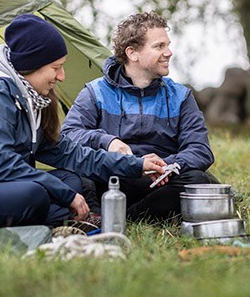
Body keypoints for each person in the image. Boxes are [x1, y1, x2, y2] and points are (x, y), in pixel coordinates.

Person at [0, 14, 168, 237]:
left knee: (71, 179)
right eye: (56, 67)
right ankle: (52, 218)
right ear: (30, 65)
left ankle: (54, 220)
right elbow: (0, 165)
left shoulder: (29, 99)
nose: (62, 76)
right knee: (33, 195)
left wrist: (136, 165)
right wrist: (64, 196)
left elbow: (71, 153)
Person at [62, 11, 214, 222]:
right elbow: (68, 135)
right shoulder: (95, 92)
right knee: (78, 171)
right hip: (112, 178)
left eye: (168, 45)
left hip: (158, 181)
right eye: (159, 46)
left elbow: (200, 150)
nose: (169, 53)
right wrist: (108, 142)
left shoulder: (181, 96)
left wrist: (166, 165)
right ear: (132, 53)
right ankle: (96, 218)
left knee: (198, 179)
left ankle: (129, 217)